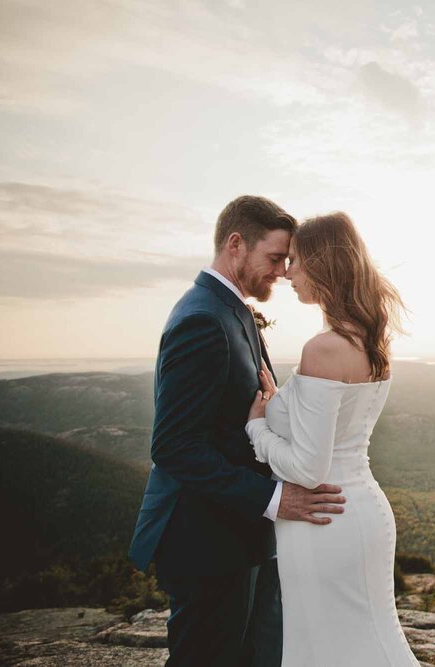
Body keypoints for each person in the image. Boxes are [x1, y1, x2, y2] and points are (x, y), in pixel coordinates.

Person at [128, 196, 347, 667]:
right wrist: (274, 499)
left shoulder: (232, 309)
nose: (282, 271)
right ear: (235, 245)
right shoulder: (202, 320)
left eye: (287, 261)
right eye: (274, 258)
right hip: (206, 542)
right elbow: (174, 447)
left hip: (239, 534)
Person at [244, 211, 417, 666]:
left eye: (297, 261)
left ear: (323, 265)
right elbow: (334, 429)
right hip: (360, 510)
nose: (287, 273)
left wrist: (257, 428)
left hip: (324, 517)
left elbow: (308, 468)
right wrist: (285, 402)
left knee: (324, 649)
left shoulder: (322, 349)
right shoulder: (368, 340)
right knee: (370, 643)